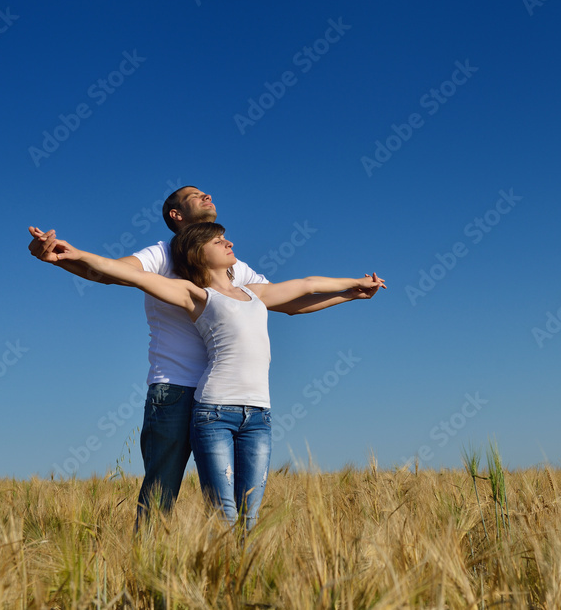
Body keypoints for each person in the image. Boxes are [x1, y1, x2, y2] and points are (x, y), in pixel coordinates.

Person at [28, 186, 382, 521]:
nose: (207, 196)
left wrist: (351, 292)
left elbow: (291, 298)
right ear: (176, 214)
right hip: (177, 389)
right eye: (196, 196)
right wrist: (61, 257)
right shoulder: (160, 254)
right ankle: (146, 566)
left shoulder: (233, 268)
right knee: (162, 490)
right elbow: (112, 273)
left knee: (237, 502)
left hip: (234, 396)